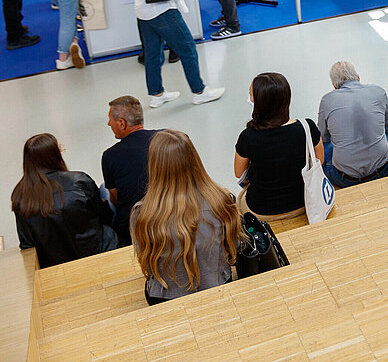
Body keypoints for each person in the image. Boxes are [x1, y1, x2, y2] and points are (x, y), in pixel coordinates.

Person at [131, 129, 239, 304]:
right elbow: (233, 248)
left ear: (154, 165)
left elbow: (148, 266)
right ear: (193, 157)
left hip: (165, 297)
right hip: (218, 286)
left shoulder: (141, 214)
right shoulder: (222, 200)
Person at [12, 133, 116, 268]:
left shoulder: (19, 196)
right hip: (98, 249)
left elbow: (27, 243)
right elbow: (105, 215)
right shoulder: (79, 180)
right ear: (53, 155)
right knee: (105, 190)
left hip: (54, 264)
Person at [234, 72, 324, 221]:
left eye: (251, 95)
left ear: (260, 102)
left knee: (240, 200)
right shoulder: (307, 127)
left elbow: (239, 173)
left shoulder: (247, 137)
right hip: (304, 202)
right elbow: (319, 161)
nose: (249, 98)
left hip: (261, 209)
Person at [317, 61, 388, 189]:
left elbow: (323, 137)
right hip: (384, 171)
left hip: (344, 178)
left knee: (325, 144)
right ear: (358, 77)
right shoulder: (378, 91)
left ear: (334, 86)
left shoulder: (327, 100)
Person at [101, 95, 158, 246]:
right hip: (170, 213)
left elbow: (116, 198)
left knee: (103, 188)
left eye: (110, 120)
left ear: (122, 123)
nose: (108, 123)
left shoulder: (110, 156)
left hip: (133, 230)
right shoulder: (165, 138)